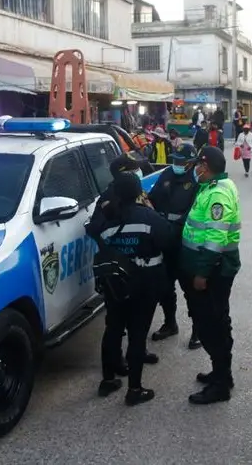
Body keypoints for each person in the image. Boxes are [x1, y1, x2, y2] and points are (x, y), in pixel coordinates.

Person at [86, 172, 173, 406]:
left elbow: (95, 234)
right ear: (138, 192)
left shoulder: (106, 219)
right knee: (137, 334)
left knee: (113, 328)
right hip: (145, 282)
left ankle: (108, 380)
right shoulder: (149, 217)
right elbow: (167, 241)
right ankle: (134, 389)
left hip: (115, 282)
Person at [181, 146, 242, 404]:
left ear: (205, 167)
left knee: (211, 325)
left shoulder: (217, 193)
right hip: (208, 268)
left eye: (198, 166)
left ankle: (220, 385)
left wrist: (202, 272)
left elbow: (216, 237)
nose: (196, 170)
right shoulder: (213, 186)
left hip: (212, 270)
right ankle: (221, 374)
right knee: (216, 320)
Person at [147, 144, 202, 349]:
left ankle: (198, 330)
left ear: (190, 163)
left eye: (180, 161)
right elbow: (153, 199)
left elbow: (197, 210)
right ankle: (170, 323)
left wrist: (178, 227)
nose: (176, 164)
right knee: (164, 286)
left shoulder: (197, 179)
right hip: (164, 238)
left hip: (184, 241)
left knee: (190, 289)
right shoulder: (167, 174)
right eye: (175, 160)